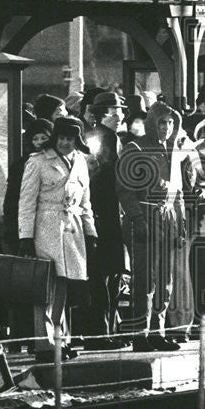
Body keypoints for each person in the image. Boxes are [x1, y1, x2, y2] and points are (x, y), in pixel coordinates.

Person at [117, 102, 199, 351]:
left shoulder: (173, 151)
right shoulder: (135, 149)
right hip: (144, 217)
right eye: (162, 122)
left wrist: (181, 225)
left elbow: (179, 193)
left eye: (171, 123)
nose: (166, 127)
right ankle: (140, 334)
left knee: (165, 279)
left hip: (168, 219)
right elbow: (125, 190)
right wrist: (137, 219)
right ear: (152, 123)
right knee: (145, 280)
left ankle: (157, 330)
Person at [17, 116, 97, 362]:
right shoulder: (38, 162)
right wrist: (26, 236)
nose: (65, 143)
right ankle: (45, 345)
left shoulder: (81, 163)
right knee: (45, 288)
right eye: (61, 138)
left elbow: (85, 203)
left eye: (70, 139)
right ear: (55, 138)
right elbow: (27, 202)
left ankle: (60, 342)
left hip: (71, 229)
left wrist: (91, 231)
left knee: (63, 286)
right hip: (45, 228)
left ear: (77, 141)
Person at [78, 92, 129, 349]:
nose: (120, 115)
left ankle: (107, 329)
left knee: (107, 278)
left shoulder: (101, 136)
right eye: (115, 111)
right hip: (103, 216)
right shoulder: (103, 138)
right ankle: (100, 332)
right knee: (103, 277)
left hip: (105, 215)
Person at [3, 119, 54, 252]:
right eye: (35, 139)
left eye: (44, 138)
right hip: (24, 225)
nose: (39, 142)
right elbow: (13, 200)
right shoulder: (22, 165)